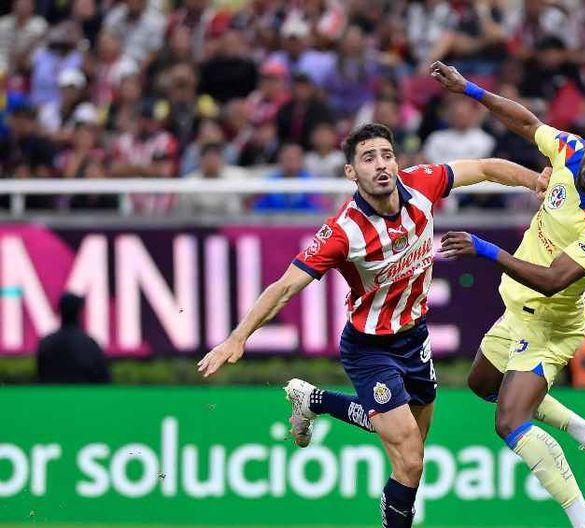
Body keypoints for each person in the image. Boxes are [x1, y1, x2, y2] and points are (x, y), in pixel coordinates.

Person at [197, 122, 547, 528]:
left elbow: (484, 168)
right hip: (370, 348)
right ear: (351, 172)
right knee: (410, 460)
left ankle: (314, 400)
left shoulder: (422, 185)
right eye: (368, 158)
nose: (381, 165)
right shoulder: (342, 232)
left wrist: (534, 181)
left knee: (412, 441)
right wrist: (237, 338)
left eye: (386, 155)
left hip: (415, 339)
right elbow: (284, 287)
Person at [430, 60, 585, 528]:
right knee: (483, 384)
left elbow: (552, 280)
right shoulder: (572, 151)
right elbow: (528, 123)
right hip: (518, 308)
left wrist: (484, 249)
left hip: (549, 321)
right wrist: (469, 89)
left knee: (509, 421)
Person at [37, 292, 110, 384]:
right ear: (79, 312)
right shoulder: (90, 345)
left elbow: (41, 377)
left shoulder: (46, 344)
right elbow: (104, 380)